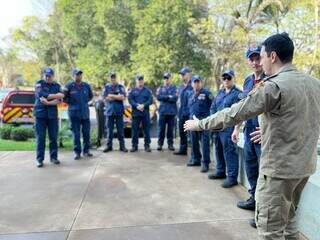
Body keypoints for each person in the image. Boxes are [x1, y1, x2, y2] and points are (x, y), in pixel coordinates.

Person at [184, 32, 320, 239]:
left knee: (270, 231)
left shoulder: (273, 86)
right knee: (290, 223)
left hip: (278, 171)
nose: (261, 62)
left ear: (273, 57)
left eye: (263, 56)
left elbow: (235, 112)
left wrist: (199, 124)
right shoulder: (314, 84)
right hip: (303, 168)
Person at [232, 46, 265, 211]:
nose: (255, 62)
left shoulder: (270, 78)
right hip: (248, 130)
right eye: (251, 59)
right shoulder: (247, 80)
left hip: (262, 134)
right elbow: (243, 107)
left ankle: (262, 208)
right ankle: (253, 199)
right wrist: (237, 129)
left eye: (257, 58)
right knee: (250, 167)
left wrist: (268, 131)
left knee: (263, 171)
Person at [209, 70, 242, 188]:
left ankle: (232, 178)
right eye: (224, 78)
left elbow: (240, 112)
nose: (226, 80)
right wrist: (213, 121)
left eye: (229, 78)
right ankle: (220, 171)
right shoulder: (220, 93)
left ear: (233, 79)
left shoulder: (238, 94)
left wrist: (236, 128)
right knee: (218, 149)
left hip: (228, 127)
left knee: (230, 152)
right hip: (217, 127)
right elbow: (213, 107)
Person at [34, 68, 64, 168]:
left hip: (52, 116)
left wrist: (48, 102)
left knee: (53, 138)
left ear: (53, 76)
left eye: (49, 75)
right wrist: (55, 95)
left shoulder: (57, 86)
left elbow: (59, 100)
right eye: (46, 75)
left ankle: (54, 157)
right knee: (40, 138)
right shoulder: (39, 84)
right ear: (43, 76)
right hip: (40, 116)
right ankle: (39, 160)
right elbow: (40, 95)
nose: (47, 77)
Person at [63, 69, 93, 160]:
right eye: (77, 74)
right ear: (73, 76)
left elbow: (90, 96)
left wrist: (84, 103)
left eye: (80, 74)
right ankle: (77, 152)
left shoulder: (86, 86)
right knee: (76, 134)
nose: (79, 76)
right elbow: (64, 98)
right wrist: (72, 103)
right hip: (74, 113)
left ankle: (86, 151)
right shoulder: (69, 86)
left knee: (86, 133)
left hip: (85, 113)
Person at [187, 75, 212, 173]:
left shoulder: (207, 94)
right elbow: (189, 108)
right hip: (192, 122)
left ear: (201, 83)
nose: (196, 84)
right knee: (193, 142)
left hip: (203, 123)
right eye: (194, 82)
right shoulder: (190, 94)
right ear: (192, 83)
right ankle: (196, 159)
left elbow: (212, 107)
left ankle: (205, 163)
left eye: (198, 82)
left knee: (205, 143)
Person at [102, 72, 128, 153]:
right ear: (109, 78)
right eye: (111, 77)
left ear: (116, 78)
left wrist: (111, 96)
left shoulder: (121, 87)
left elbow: (123, 97)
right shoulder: (106, 87)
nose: (113, 79)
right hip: (109, 112)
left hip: (119, 111)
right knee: (109, 131)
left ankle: (122, 146)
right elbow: (105, 99)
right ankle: (109, 146)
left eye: (114, 77)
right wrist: (117, 96)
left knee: (120, 130)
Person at [128, 75, 153, 152]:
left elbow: (150, 100)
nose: (140, 81)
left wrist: (144, 105)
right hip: (136, 113)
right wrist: (137, 105)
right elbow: (130, 100)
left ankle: (147, 145)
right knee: (135, 130)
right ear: (136, 81)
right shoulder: (132, 91)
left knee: (146, 130)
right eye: (139, 80)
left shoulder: (148, 91)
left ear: (143, 81)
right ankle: (134, 146)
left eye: (141, 80)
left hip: (145, 113)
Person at [156, 72, 178, 151]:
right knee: (161, 129)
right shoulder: (160, 88)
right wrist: (169, 97)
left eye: (167, 78)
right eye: (165, 78)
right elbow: (158, 97)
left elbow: (175, 98)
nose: (166, 79)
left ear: (170, 79)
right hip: (162, 111)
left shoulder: (174, 88)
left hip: (171, 112)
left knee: (170, 130)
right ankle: (160, 144)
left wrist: (164, 97)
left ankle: (170, 144)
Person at [174, 67, 193, 155]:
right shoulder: (181, 87)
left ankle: (194, 154)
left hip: (190, 113)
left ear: (189, 74)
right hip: (181, 113)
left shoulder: (193, 85)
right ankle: (183, 149)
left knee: (192, 134)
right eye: (181, 75)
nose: (181, 76)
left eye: (183, 74)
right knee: (182, 132)